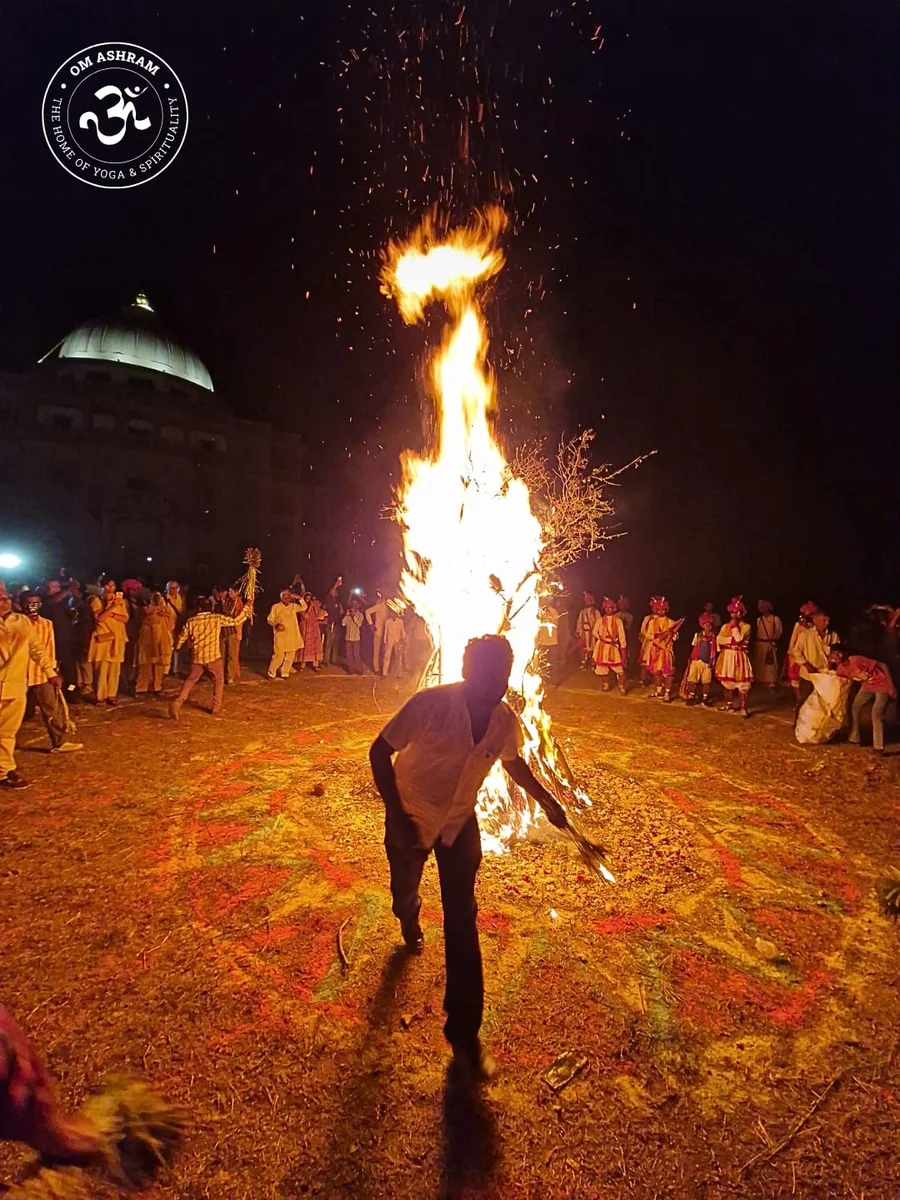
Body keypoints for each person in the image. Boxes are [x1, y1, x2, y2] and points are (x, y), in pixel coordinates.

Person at [369, 634, 568, 1080]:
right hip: (412, 817)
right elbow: (379, 751)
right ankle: (409, 913)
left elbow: (514, 764)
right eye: (485, 676)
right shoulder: (429, 704)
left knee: (462, 921)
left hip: (459, 824)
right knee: (403, 893)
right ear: (465, 672)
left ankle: (464, 1033)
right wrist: (396, 815)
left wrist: (547, 800)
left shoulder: (504, 721)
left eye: (501, 677)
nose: (493, 687)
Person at [0, 590, 63, 788]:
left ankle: (4, 770)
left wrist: (50, 672)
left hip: (16, 684)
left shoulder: (23, 622)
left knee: (7, 731)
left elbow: (36, 648)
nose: (4, 602)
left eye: (6, 598)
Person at [169, 597, 251, 719]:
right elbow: (235, 621)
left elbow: (182, 636)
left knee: (190, 680)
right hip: (213, 657)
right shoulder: (216, 618)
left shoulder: (191, 621)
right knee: (218, 680)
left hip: (198, 657)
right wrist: (247, 608)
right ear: (210, 608)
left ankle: (178, 702)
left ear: (199, 608)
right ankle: (216, 707)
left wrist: (177, 646)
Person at [22, 595, 82, 753]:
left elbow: (48, 648)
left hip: (41, 673)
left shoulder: (46, 624)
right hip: (18, 674)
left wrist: (52, 670)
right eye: (29, 603)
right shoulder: (18, 623)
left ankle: (60, 742)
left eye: (36, 603)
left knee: (51, 707)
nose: (32, 606)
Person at [830, 646, 896, 754]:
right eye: (834, 654)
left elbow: (882, 665)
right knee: (855, 707)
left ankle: (878, 746)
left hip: (881, 684)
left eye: (839, 653)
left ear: (845, 653)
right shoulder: (841, 669)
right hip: (867, 686)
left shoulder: (856, 660)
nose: (837, 656)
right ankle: (854, 738)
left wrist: (890, 685)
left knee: (876, 713)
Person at [87, 580, 130, 707]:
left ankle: (111, 695)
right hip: (103, 639)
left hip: (117, 638)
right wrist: (111, 607)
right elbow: (99, 618)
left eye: (113, 585)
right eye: (108, 585)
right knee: (101, 669)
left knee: (114, 670)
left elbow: (125, 618)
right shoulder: (96, 601)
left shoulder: (120, 601)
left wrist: (112, 612)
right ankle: (100, 697)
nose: (110, 588)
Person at [792, 609, 839, 715]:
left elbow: (837, 652)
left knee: (823, 703)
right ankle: (799, 725)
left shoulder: (833, 636)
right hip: (808, 675)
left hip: (825, 675)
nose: (827, 623)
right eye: (824, 620)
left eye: (828, 620)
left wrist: (832, 663)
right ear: (815, 620)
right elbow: (796, 652)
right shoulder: (805, 635)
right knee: (804, 700)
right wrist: (807, 666)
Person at [716, 596, 754, 718]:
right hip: (727, 656)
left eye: (737, 612)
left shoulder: (746, 626)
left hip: (739, 656)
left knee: (743, 684)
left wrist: (734, 628)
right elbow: (719, 639)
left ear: (742, 613)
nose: (734, 614)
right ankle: (729, 704)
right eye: (732, 612)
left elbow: (738, 639)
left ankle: (743, 708)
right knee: (727, 683)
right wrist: (729, 640)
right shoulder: (724, 626)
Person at [639, 596, 681, 700]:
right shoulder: (652, 622)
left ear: (666, 610)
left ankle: (667, 693)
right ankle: (658, 691)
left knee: (668, 673)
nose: (661, 611)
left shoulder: (671, 622)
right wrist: (658, 636)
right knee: (655, 672)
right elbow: (648, 635)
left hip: (666, 651)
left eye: (663, 609)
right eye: (658, 609)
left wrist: (670, 634)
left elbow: (676, 637)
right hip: (655, 650)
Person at [136, 592, 174, 698]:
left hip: (161, 642)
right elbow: (146, 621)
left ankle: (157, 687)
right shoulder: (146, 611)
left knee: (159, 667)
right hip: (148, 642)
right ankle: (141, 689)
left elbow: (171, 626)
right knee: (145, 666)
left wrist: (165, 614)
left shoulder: (166, 612)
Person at [267, 589, 307, 680]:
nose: (286, 598)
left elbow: (304, 607)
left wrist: (300, 598)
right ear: (281, 597)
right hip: (280, 635)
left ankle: (285, 673)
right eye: (284, 596)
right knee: (278, 655)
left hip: (292, 635)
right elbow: (270, 619)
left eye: (288, 596)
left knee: (290, 656)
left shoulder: (293, 606)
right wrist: (276, 625)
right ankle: (271, 673)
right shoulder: (276, 607)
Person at [679, 613, 718, 706]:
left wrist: (713, 662)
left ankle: (705, 698)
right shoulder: (698, 635)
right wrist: (690, 658)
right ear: (702, 626)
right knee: (692, 680)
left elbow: (717, 650)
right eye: (705, 625)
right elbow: (693, 646)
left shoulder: (714, 637)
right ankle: (691, 697)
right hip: (696, 660)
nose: (707, 627)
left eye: (709, 625)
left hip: (707, 662)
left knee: (706, 682)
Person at [592, 597, 627, 694]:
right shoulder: (600, 620)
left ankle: (621, 686)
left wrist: (623, 647)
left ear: (614, 608)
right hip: (602, 647)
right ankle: (605, 684)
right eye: (606, 608)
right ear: (604, 608)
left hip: (613, 647)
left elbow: (622, 635)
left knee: (619, 669)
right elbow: (594, 631)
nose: (608, 609)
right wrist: (601, 638)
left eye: (610, 608)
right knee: (602, 668)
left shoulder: (618, 621)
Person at [754, 600, 783, 689]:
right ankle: (760, 679)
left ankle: (771, 680)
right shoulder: (759, 620)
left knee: (770, 663)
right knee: (760, 662)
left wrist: (773, 640)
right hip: (760, 643)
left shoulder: (775, 619)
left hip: (770, 643)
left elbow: (779, 631)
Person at [220, 587, 245, 683]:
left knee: (231, 655)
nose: (228, 593)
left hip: (231, 631)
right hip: (223, 632)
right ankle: (221, 675)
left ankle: (229, 676)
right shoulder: (228, 601)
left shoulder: (237, 602)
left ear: (236, 593)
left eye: (231, 591)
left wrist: (222, 602)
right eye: (228, 591)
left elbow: (230, 614)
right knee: (222, 655)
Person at [163, 581, 186, 675]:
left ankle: (177, 669)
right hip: (168, 626)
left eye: (175, 588)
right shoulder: (164, 599)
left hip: (178, 625)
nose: (173, 590)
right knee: (168, 648)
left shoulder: (181, 598)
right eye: (171, 588)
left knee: (178, 647)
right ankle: (165, 670)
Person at [365, 590, 390, 674]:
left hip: (387, 633)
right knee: (376, 651)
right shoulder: (379, 606)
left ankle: (383, 668)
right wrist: (371, 624)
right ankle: (376, 668)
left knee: (385, 651)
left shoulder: (390, 608)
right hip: (379, 631)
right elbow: (367, 612)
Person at [299, 594, 325, 671]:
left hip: (314, 628)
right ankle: (302, 665)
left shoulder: (314, 607)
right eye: (307, 599)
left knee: (316, 645)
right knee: (304, 645)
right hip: (305, 629)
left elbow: (318, 614)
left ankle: (315, 664)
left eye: (310, 599)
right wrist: (310, 607)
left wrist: (314, 605)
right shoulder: (301, 608)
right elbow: (305, 616)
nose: (309, 601)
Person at [575, 592, 600, 669]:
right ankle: (583, 663)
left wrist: (597, 632)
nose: (586, 602)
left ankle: (593, 664)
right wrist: (578, 631)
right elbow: (579, 622)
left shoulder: (596, 612)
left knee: (593, 648)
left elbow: (599, 622)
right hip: (584, 633)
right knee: (583, 649)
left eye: (588, 600)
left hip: (592, 633)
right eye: (585, 600)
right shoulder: (582, 612)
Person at [322, 577, 344, 666]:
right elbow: (332, 591)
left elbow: (341, 612)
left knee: (336, 643)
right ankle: (326, 660)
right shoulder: (329, 600)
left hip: (337, 624)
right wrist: (337, 583)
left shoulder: (337, 603)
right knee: (329, 642)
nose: (336, 592)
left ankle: (334, 659)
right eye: (335, 592)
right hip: (331, 624)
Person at [381, 605, 407, 677]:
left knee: (399, 657)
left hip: (397, 640)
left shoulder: (400, 621)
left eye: (394, 612)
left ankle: (399, 674)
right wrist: (384, 642)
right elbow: (385, 632)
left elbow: (403, 631)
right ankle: (384, 673)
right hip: (389, 640)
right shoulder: (387, 621)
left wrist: (403, 639)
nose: (393, 614)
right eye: (392, 612)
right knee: (387, 656)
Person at [342, 596, 365, 674]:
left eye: (355, 604)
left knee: (356, 655)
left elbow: (359, 624)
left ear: (358, 605)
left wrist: (353, 616)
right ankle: (351, 670)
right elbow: (343, 623)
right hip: (348, 638)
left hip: (356, 638)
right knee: (349, 655)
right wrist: (346, 615)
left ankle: (359, 670)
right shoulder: (347, 614)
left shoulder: (360, 615)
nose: (354, 605)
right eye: (353, 604)